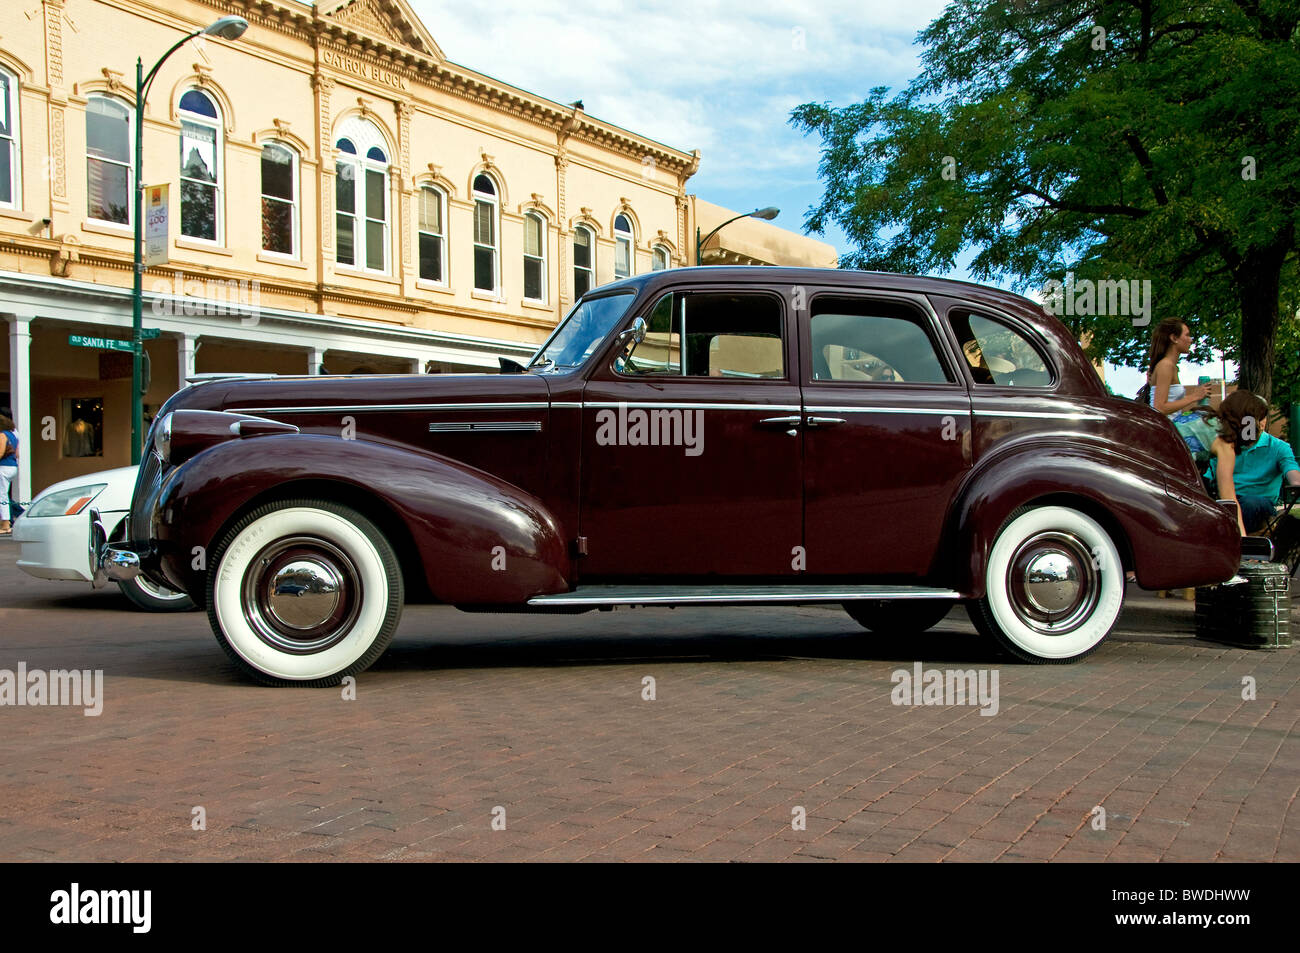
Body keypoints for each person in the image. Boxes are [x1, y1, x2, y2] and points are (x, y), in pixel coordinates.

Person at [1203, 390, 1300, 536]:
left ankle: (1238, 540)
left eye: (1261, 417)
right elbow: (1209, 478)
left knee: (1249, 503)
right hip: (1229, 500)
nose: (1259, 422)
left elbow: (1290, 468)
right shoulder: (1226, 443)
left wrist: (1297, 482)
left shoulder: (1278, 447)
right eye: (1253, 417)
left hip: (1259, 503)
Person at [1143, 317, 1210, 415]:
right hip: (1164, 428)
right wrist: (1194, 396)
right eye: (1187, 335)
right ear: (1174, 338)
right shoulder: (1165, 366)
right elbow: (1159, 407)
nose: (1190, 340)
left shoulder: (1170, 366)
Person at [0, 413, 18, 536]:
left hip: (3, 466)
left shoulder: (2, 435)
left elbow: (0, 452)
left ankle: (6, 524)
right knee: (4, 494)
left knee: (2, 496)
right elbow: (17, 454)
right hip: (12, 466)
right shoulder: (13, 435)